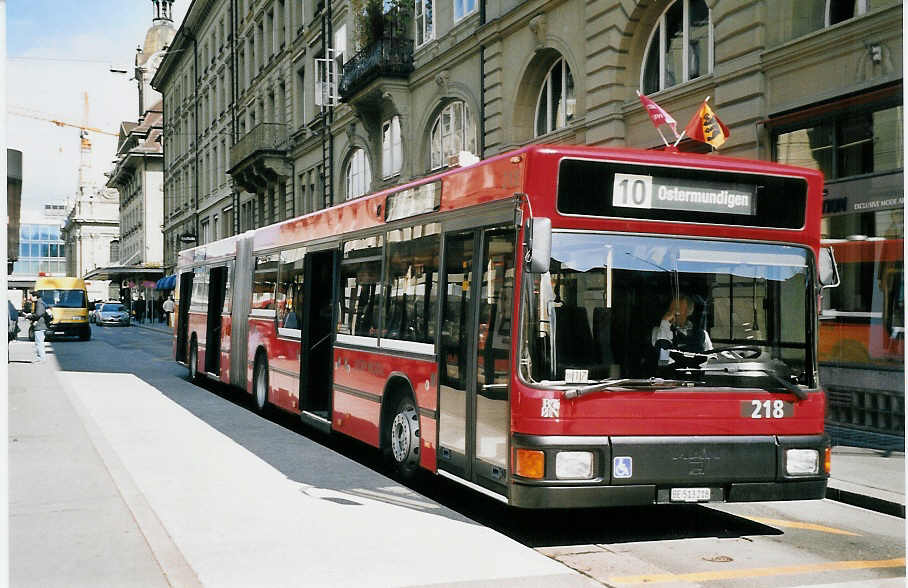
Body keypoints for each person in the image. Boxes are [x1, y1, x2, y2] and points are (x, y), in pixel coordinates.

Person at [651, 294, 712, 366]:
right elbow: (663, 360)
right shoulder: (659, 331)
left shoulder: (702, 334)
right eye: (671, 309)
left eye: (678, 310)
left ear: (689, 312)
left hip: (693, 375)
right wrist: (664, 324)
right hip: (671, 375)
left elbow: (710, 359)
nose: (674, 313)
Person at [26, 291, 49, 363]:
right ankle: (41, 358)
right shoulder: (40, 302)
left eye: (31, 296)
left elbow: (38, 314)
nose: (30, 298)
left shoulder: (39, 303)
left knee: (39, 343)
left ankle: (41, 359)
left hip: (40, 326)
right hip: (41, 325)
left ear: (35, 296)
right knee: (39, 343)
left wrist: (29, 316)